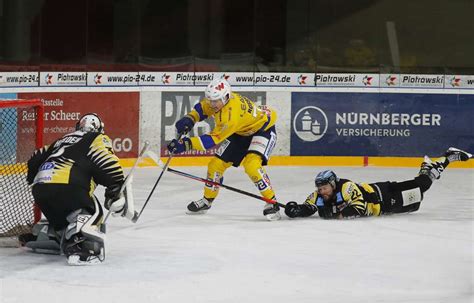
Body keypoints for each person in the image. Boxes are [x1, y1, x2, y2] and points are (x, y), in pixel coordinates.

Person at [24, 113, 135, 265]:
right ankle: (81, 242)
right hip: (68, 187)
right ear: (99, 128)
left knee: (63, 214)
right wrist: (115, 187)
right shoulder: (96, 137)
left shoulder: (62, 140)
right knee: (93, 211)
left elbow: (35, 158)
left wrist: (34, 179)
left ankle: (52, 234)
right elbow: (106, 159)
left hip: (40, 190)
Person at [167, 78, 280, 220]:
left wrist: (185, 145)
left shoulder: (230, 116)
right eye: (210, 100)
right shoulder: (218, 101)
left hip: (263, 130)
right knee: (215, 166)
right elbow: (203, 108)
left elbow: (211, 141)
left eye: (215, 101)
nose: (212, 104)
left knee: (251, 165)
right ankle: (207, 201)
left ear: (226, 97)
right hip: (241, 131)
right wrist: (190, 118)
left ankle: (272, 202)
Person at [284, 147, 472, 219]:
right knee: (420, 188)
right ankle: (428, 167)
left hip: (387, 196)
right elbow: (309, 207)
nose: (321, 191)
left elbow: (359, 209)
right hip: (386, 207)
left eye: (324, 188)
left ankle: (448, 157)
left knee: (421, 187)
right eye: (319, 188)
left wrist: (334, 213)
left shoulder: (346, 187)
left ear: (333, 184)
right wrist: (295, 210)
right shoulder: (318, 195)